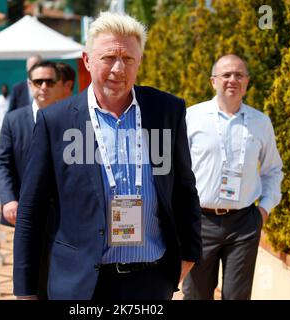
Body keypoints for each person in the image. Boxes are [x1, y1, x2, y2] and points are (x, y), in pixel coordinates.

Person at [13, 12, 202, 300]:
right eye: (108, 58)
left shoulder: (167, 111)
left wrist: (188, 256)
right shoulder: (57, 121)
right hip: (80, 285)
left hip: (150, 282)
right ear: (87, 60)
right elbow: (31, 210)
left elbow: (185, 190)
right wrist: (25, 291)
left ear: (139, 61)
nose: (118, 69)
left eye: (128, 59)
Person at [182, 54, 283, 300]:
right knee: (196, 295)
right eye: (226, 74)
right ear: (213, 81)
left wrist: (264, 211)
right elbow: (176, 171)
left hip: (244, 224)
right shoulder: (191, 117)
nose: (232, 80)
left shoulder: (260, 122)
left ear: (247, 82)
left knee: (237, 297)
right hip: (200, 222)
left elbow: (273, 170)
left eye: (239, 75)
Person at [0, 60, 61, 227]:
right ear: (30, 85)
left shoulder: (72, 117)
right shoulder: (12, 120)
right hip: (23, 211)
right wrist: (8, 199)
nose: (44, 87)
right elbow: (3, 163)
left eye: (50, 82)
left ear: (57, 85)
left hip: (63, 213)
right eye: (39, 82)